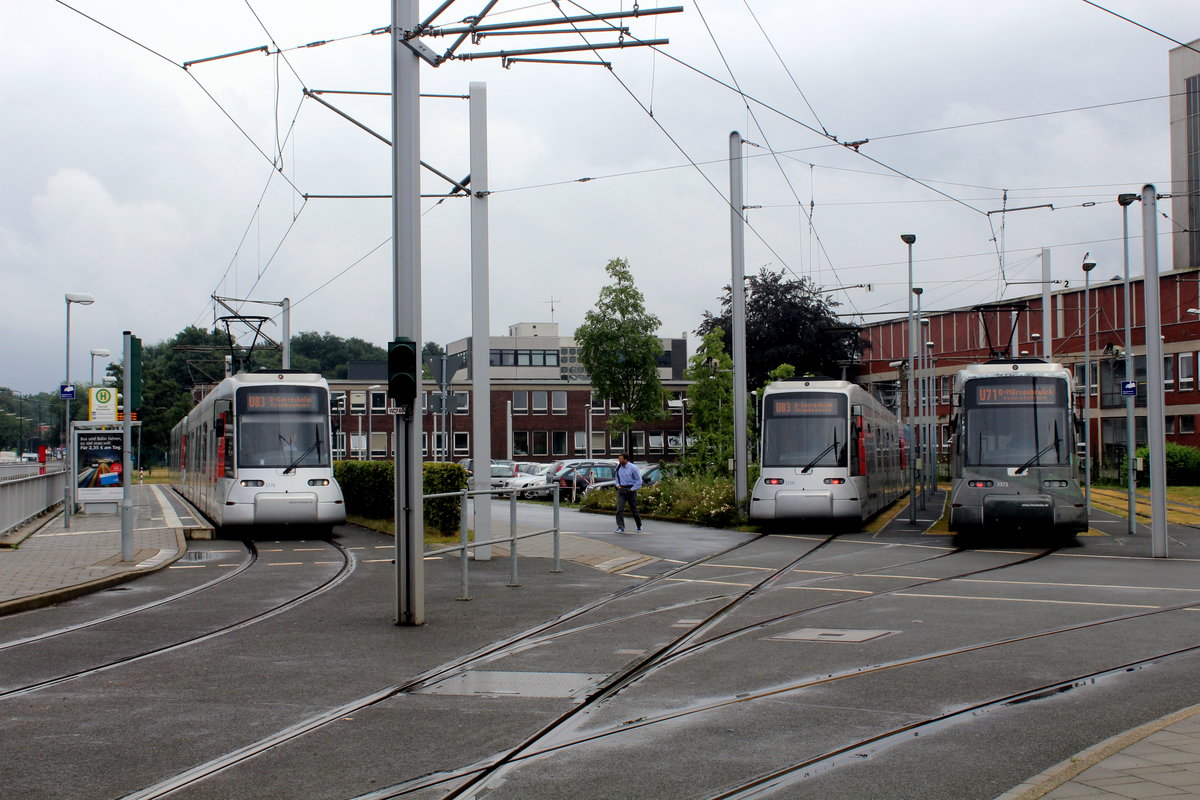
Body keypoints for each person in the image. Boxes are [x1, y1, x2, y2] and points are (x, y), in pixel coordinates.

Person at [613, 453, 643, 533]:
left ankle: (639, 525)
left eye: (621, 459)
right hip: (622, 489)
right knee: (619, 509)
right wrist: (618, 485)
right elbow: (616, 477)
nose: (620, 461)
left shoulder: (633, 468)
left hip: (631, 489)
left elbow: (639, 480)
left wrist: (632, 489)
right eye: (619, 459)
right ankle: (620, 527)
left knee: (634, 509)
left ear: (626, 459)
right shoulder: (618, 467)